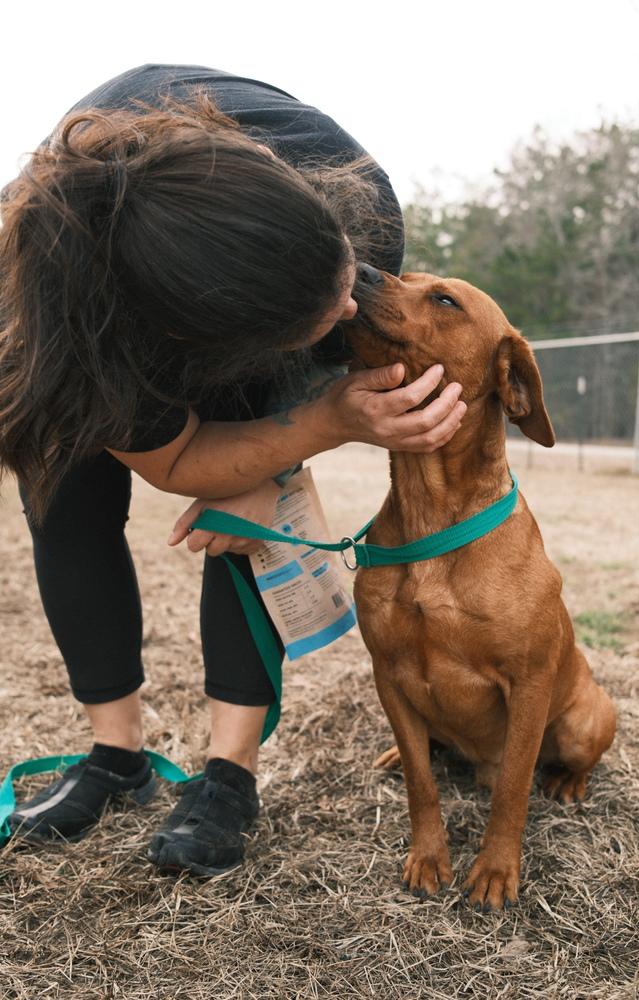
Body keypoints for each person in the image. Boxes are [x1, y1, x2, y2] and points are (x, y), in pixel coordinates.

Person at [0, 64, 466, 876]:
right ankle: (115, 756)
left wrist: (306, 432)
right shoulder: (72, 309)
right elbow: (177, 460)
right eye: (323, 311)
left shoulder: (350, 193)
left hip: (255, 240)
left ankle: (229, 775)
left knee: (248, 510)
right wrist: (262, 444)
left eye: (343, 275)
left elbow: (279, 431)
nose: (353, 306)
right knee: (65, 491)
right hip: (112, 311)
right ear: (199, 342)